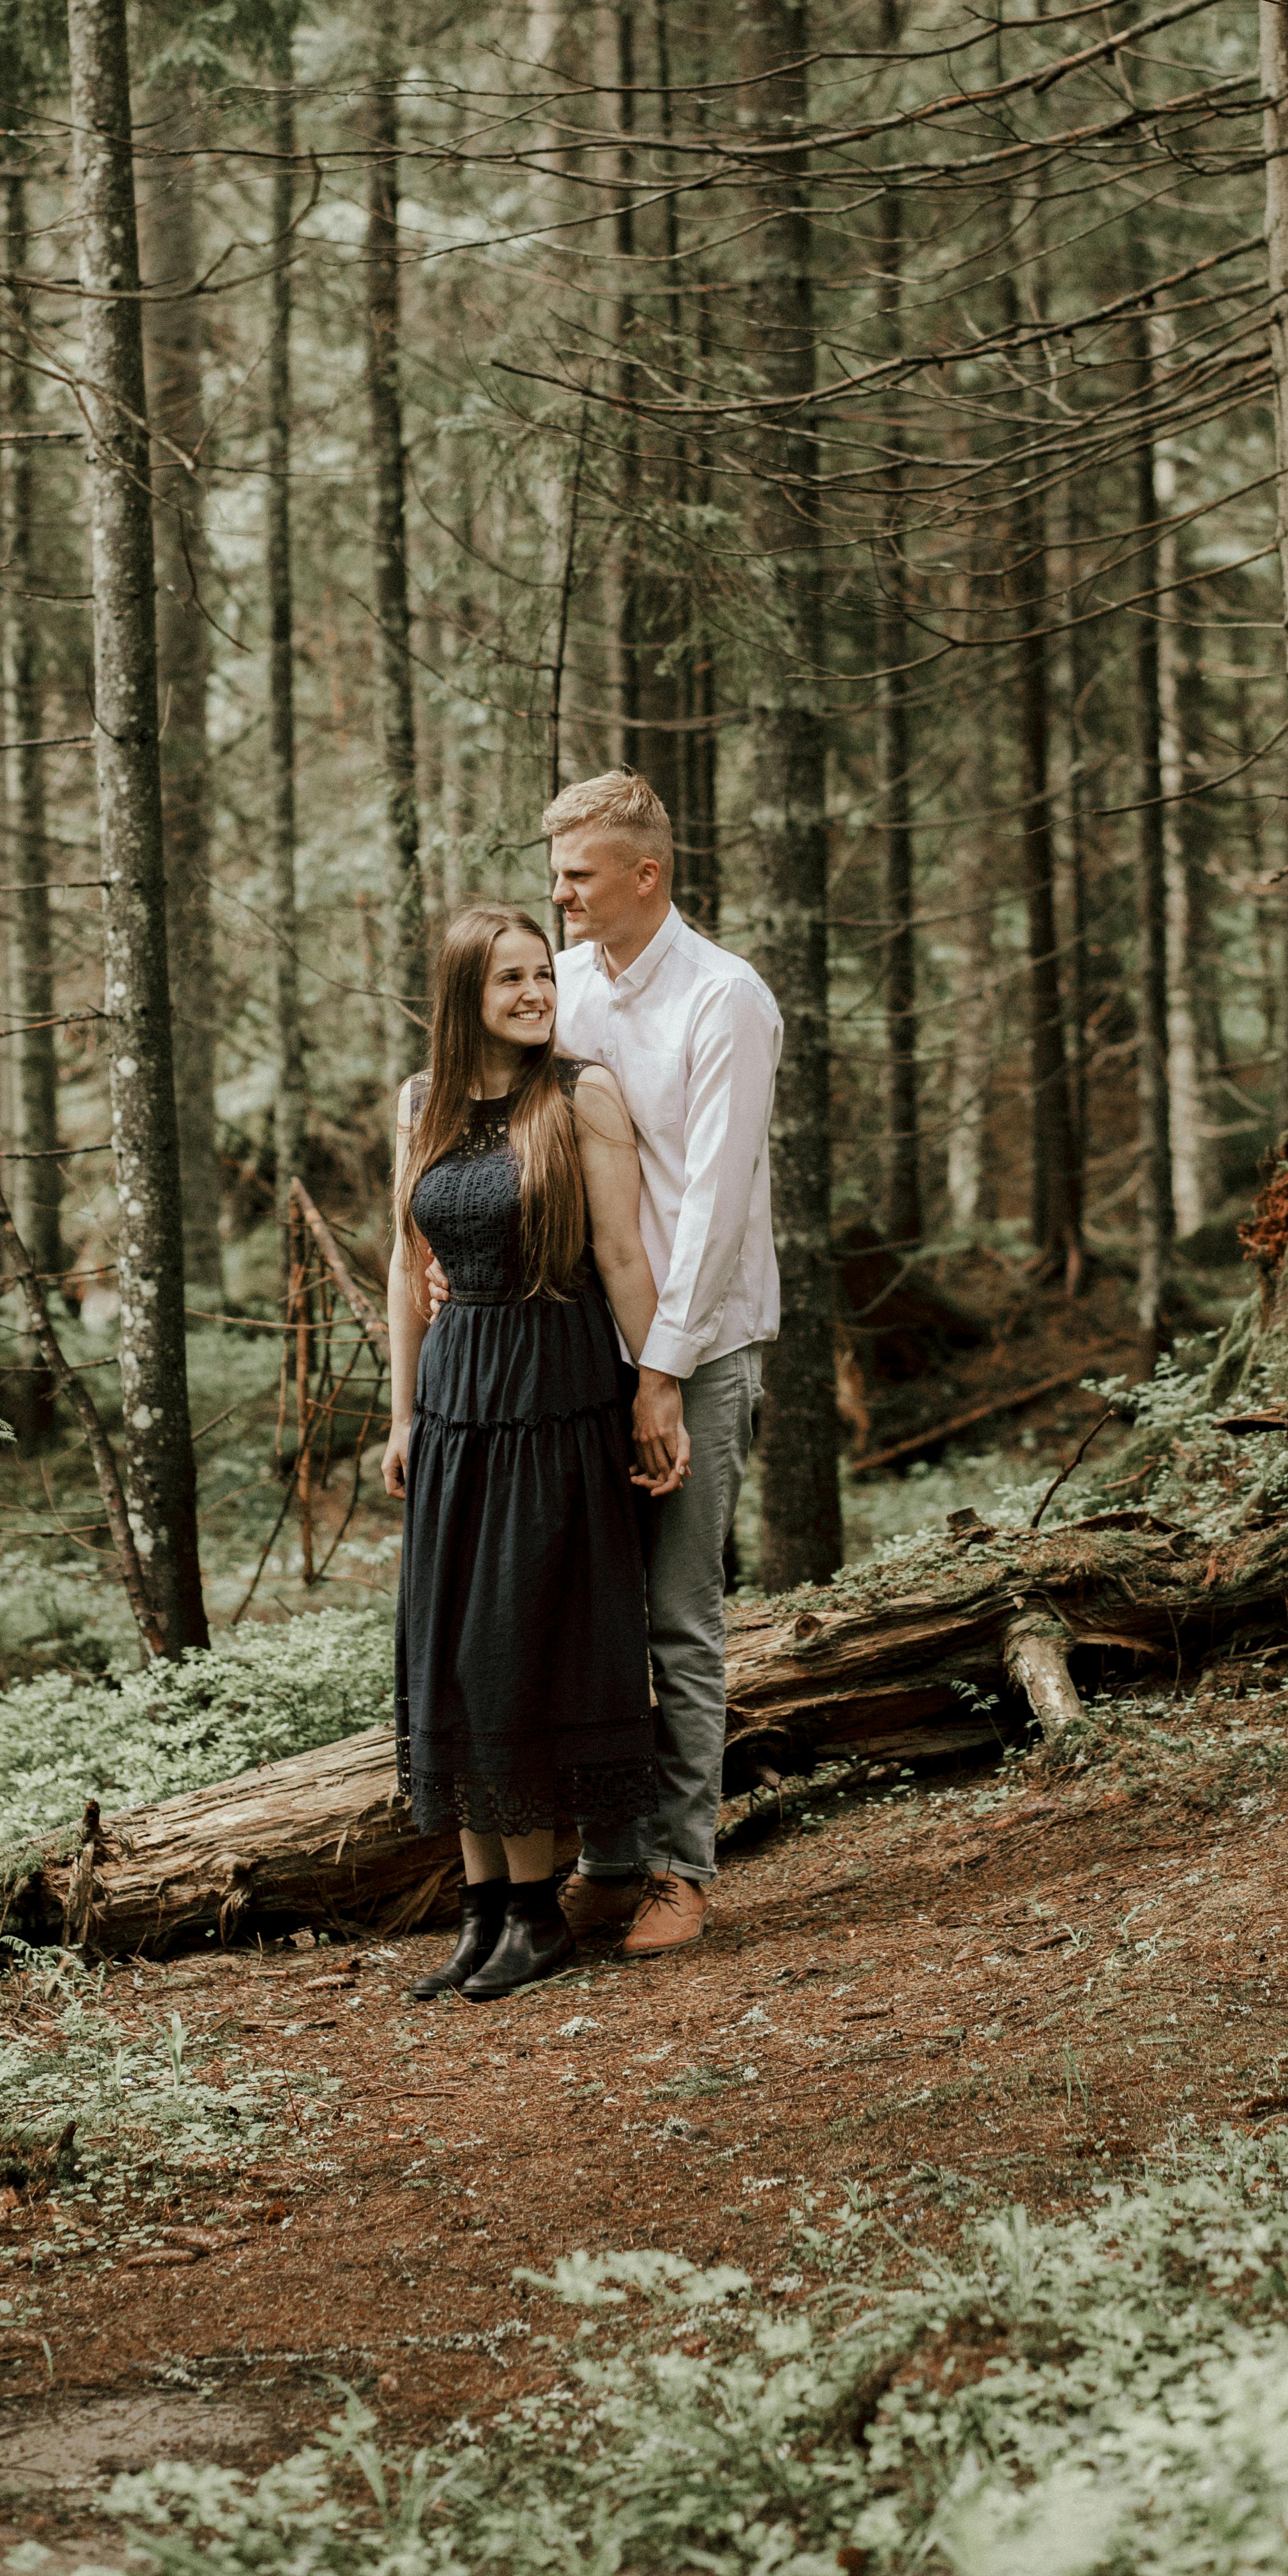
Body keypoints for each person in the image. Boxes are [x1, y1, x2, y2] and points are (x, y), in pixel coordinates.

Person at [381, 901, 691, 2004]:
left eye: (539, 977)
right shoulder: (419, 1103)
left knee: (521, 1644)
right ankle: (481, 1913)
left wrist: (658, 1390)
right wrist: (404, 1413)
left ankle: (536, 1914)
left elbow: (620, 1254)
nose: (531, 995)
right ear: (463, 995)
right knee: (453, 1646)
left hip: (556, 1386)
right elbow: (402, 1266)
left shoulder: (581, 1096)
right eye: (506, 979)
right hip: (459, 1396)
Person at [545, 771, 781, 1958]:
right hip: (584, 1351)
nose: (559, 893)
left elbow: (716, 1208)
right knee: (594, 1616)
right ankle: (605, 1859)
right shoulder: (569, 986)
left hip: (702, 1348)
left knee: (680, 1621)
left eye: (579, 874)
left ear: (647, 876)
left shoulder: (725, 1000)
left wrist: (665, 1372)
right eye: (557, 874)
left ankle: (684, 1871)